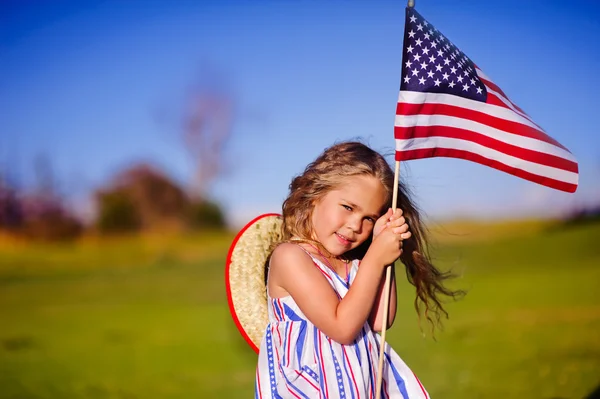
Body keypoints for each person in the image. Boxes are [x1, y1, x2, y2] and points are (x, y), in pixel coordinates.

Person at [255, 141, 461, 398]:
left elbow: (380, 320)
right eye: (348, 207)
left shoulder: (355, 264)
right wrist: (375, 258)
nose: (355, 225)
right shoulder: (291, 257)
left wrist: (383, 247)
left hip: (360, 387)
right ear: (316, 194)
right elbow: (342, 327)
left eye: (370, 218)